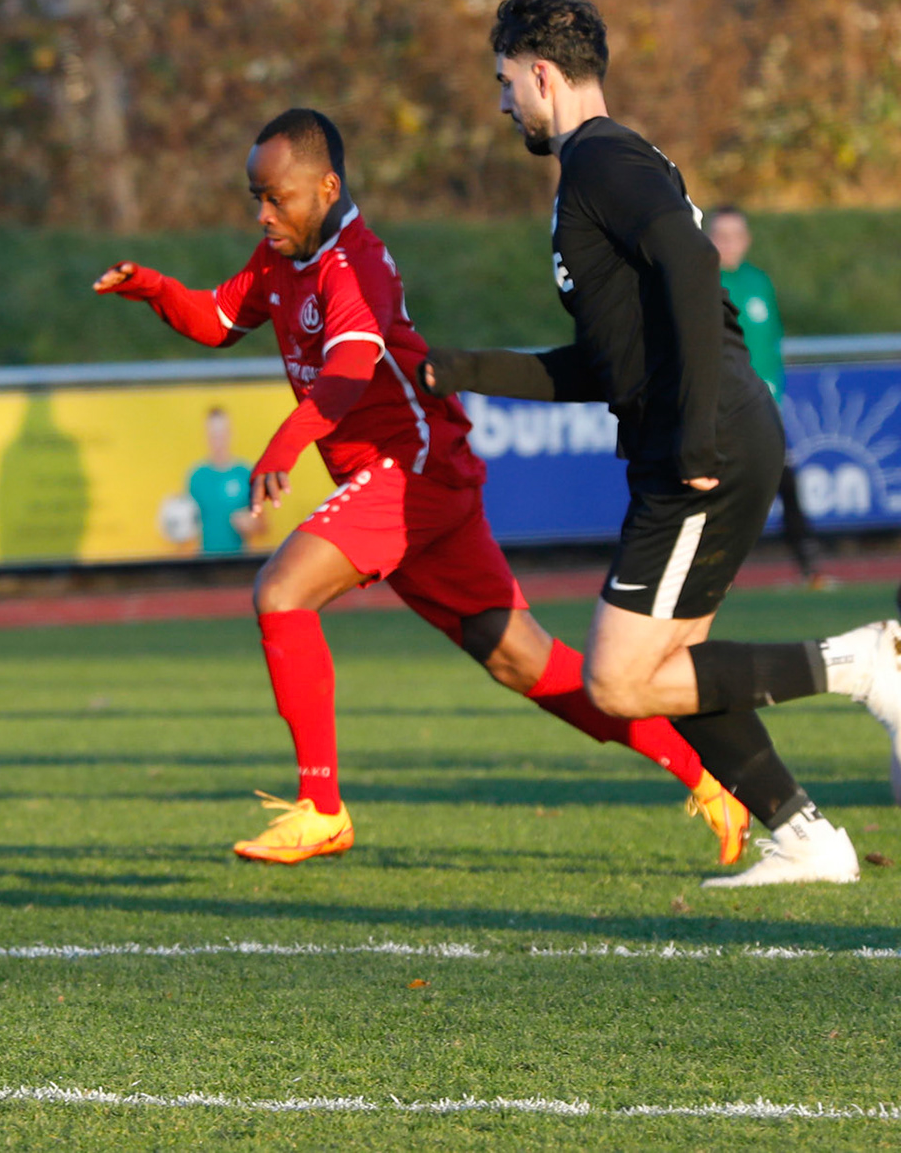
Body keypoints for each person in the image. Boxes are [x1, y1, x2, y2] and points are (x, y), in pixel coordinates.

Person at [95, 108, 748, 866]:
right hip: (417, 482)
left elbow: (348, 372)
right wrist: (153, 287)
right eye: (257, 199)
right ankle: (707, 778)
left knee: (281, 591)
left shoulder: (356, 263)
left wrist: (286, 441)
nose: (264, 214)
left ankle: (321, 807)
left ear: (327, 187)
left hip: (412, 471)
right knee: (525, 662)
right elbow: (215, 317)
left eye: (276, 198)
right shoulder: (280, 258)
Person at [418, 0, 901, 886]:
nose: (502, 103)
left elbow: (692, 260)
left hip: (702, 442)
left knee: (619, 680)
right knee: (668, 667)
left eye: (505, 82)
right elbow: (608, 364)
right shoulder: (600, 169)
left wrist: (693, 435)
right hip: (701, 433)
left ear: (542, 75)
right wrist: (462, 368)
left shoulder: (601, 159)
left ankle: (864, 663)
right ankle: (806, 837)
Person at [707, 206, 827, 586]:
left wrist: (774, 392)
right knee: (716, 491)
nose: (728, 243)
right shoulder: (701, 281)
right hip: (720, 410)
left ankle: (809, 566)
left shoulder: (758, 281)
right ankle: (707, 570)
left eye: (735, 235)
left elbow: (771, 345)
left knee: (785, 482)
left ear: (747, 240)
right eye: (720, 235)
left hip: (764, 409)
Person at [186, 407, 265, 556]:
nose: (218, 442)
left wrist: (251, 524)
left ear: (230, 434)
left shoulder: (245, 473)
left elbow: (264, 526)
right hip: (204, 561)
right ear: (206, 437)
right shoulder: (196, 476)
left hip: (238, 561)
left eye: (222, 434)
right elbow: (187, 524)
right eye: (213, 435)